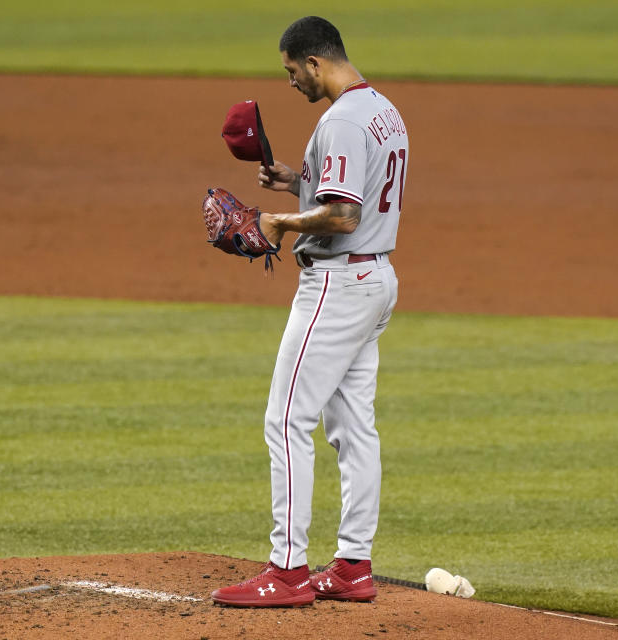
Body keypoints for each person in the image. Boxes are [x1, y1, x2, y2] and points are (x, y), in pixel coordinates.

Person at [212, 15, 409, 607]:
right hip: (374, 280)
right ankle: (353, 565)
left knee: (286, 419)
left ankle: (288, 571)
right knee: (354, 426)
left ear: (315, 62)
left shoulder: (344, 119)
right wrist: (298, 184)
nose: (292, 81)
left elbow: (343, 216)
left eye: (293, 70)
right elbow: (354, 193)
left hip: (338, 284)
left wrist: (277, 222)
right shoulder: (382, 109)